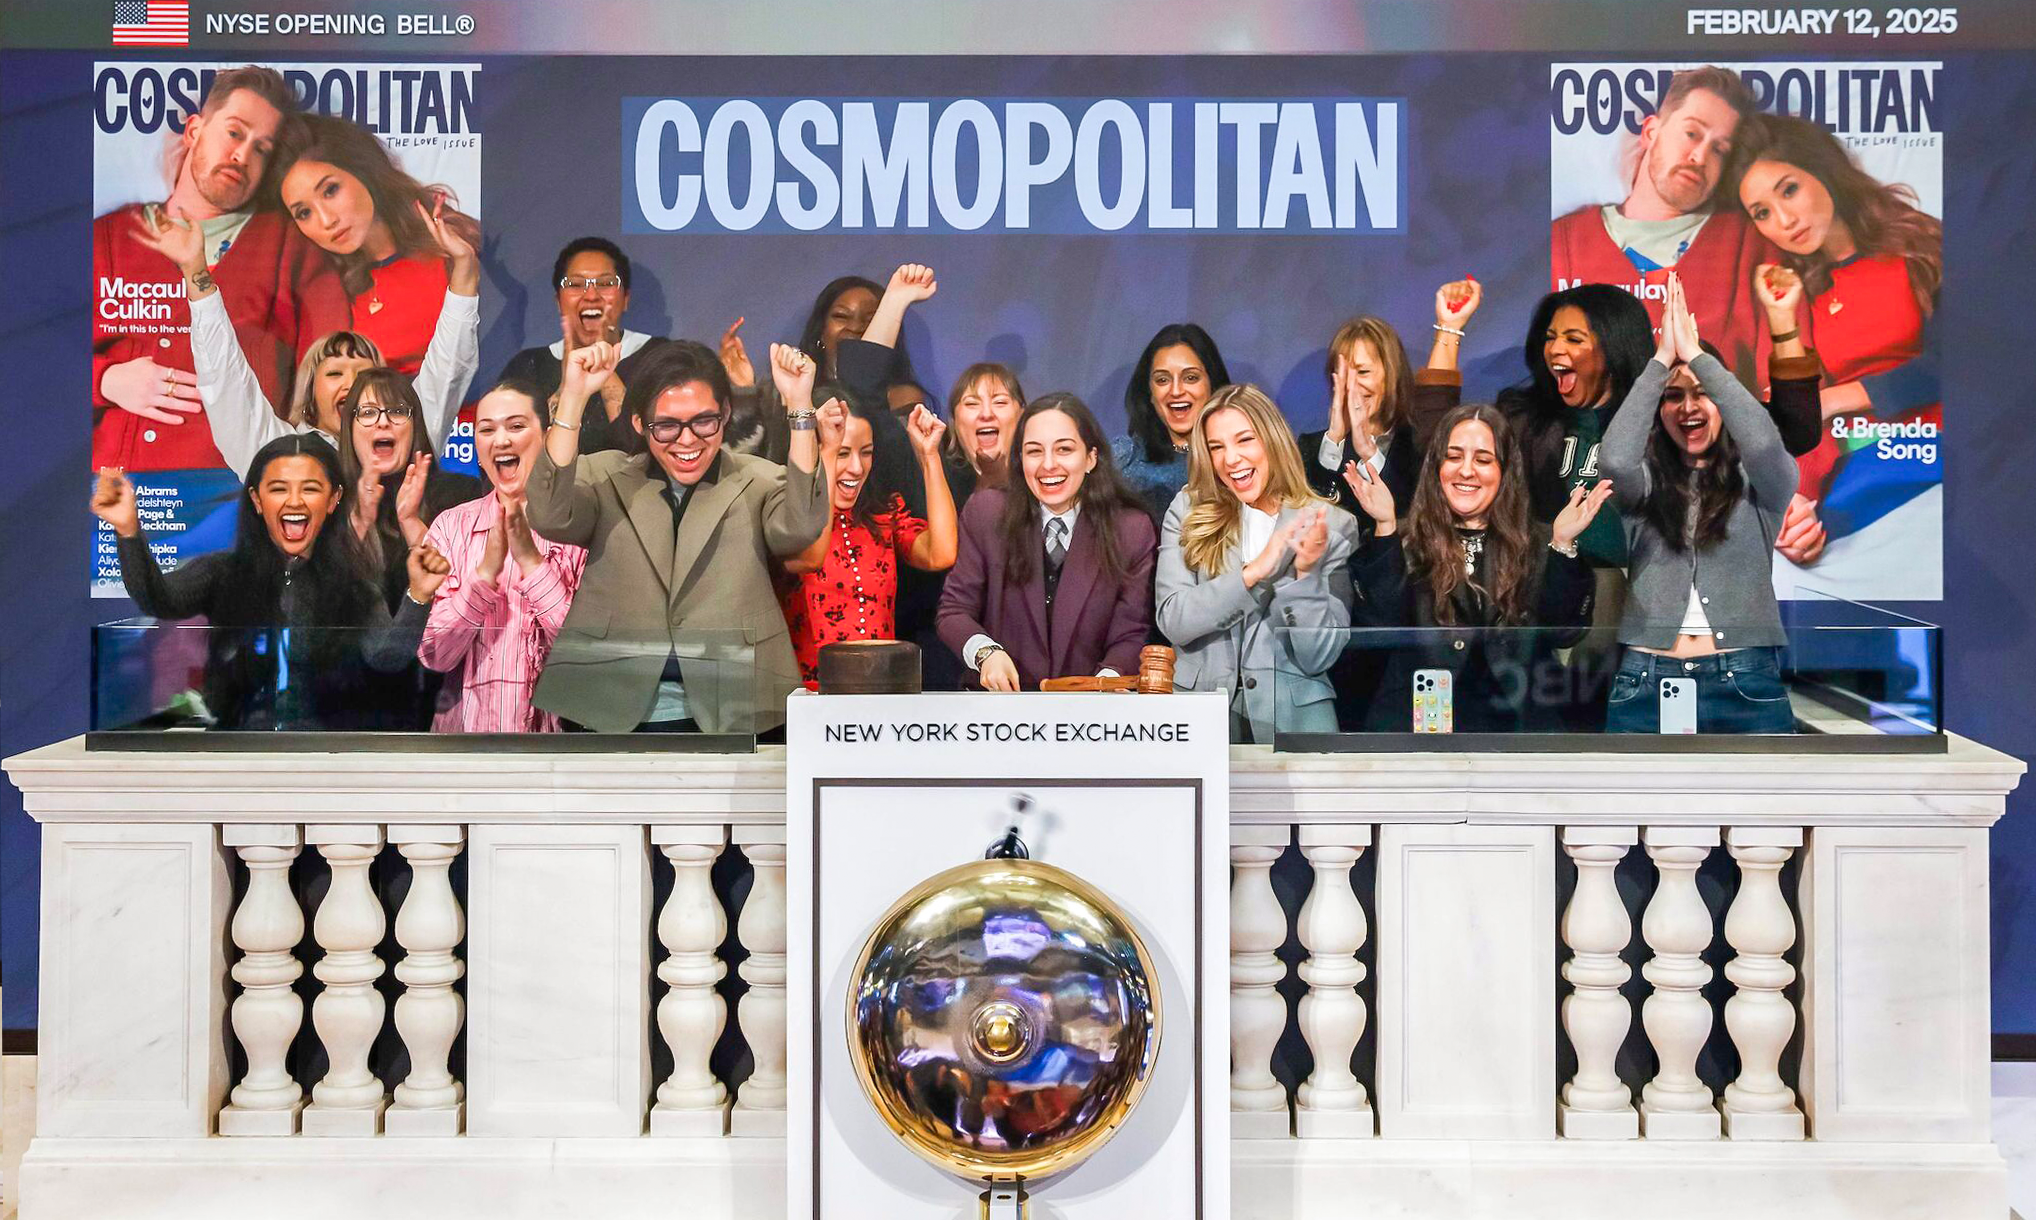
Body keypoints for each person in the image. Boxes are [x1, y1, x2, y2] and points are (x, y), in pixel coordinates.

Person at [523, 338, 838, 734]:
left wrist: (799, 408)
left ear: (725, 414)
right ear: (639, 423)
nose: (687, 440)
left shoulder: (757, 479)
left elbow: (801, 527)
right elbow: (548, 513)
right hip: (609, 702)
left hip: (734, 705)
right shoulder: (605, 476)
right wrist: (573, 396)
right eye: (666, 426)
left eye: (703, 422)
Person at [90, 433, 448, 729]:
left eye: (310, 488)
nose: (295, 501)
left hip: (325, 765)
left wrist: (417, 596)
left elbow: (387, 656)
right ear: (257, 501)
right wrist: (128, 530)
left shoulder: (355, 585)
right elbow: (159, 600)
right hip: (239, 762)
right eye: (278, 488)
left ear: (334, 499)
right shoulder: (222, 572)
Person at [93, 66, 351, 474]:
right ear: (195, 130)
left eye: (261, 148)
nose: (243, 155)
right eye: (235, 132)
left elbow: (337, 383)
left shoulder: (292, 250)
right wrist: (104, 380)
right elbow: (37, 361)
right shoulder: (105, 238)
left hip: (234, 502)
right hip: (108, 492)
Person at [131, 196, 479, 479]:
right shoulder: (278, 450)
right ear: (310, 395)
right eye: (334, 373)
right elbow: (225, 382)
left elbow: (450, 363)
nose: (352, 383)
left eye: (363, 373)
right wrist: (196, 272)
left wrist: (463, 266)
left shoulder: (408, 438)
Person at [1732, 113, 1943, 556]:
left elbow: (1965, 362)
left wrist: (1836, 399)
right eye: (1763, 213)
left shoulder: (1919, 245)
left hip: (1933, 444)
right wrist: (1800, 499)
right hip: (1850, 461)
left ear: (1822, 170)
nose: (1785, 220)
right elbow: (1798, 412)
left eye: (1789, 189)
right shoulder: (1787, 296)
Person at [1598, 275, 1799, 733]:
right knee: (1637, 807)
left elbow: (1767, 446)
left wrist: (1699, 360)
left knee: (1763, 808)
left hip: (1745, 678)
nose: (1688, 407)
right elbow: (1613, 458)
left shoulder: (1760, 484)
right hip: (1646, 680)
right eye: (1673, 396)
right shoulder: (1643, 485)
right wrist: (1661, 361)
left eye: (1701, 393)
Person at [1343, 404, 1612, 732]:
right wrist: (1385, 526)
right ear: (1436, 466)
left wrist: (1562, 544)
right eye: (1454, 457)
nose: (1466, 471)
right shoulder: (1402, 539)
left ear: (1505, 471)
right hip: (1419, 732)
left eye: (1483, 460)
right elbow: (1380, 627)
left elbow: (1565, 633)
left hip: (1517, 732)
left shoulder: (1539, 542)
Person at [1550, 65, 1801, 387]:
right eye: (1692, 133)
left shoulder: (1751, 245)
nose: (1699, 156)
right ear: (1651, 132)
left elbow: (1789, 390)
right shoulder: (1565, 243)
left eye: (1719, 149)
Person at [1156, 385, 1358, 742]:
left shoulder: (1331, 523)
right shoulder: (1188, 510)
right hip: (1202, 725)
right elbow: (1174, 619)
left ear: (1273, 440)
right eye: (1216, 447)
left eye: (1244, 440)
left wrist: (1305, 575)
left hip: (1293, 730)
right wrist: (1254, 572)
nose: (1230, 459)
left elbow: (1318, 658)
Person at [939, 394, 1158, 691]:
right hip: (999, 712)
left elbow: (1130, 633)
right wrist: (985, 654)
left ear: (1091, 458)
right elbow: (954, 611)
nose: (1049, 465)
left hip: (1089, 715)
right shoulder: (986, 513)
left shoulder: (1131, 530)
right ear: (1020, 460)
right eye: (1034, 452)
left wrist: (1106, 681)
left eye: (1064, 450)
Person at [416, 378, 588, 732]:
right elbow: (435, 655)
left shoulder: (578, 526)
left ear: (546, 437)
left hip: (553, 753)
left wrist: (532, 564)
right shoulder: (451, 527)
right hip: (464, 753)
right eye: (486, 430)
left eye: (516, 426)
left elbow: (584, 655)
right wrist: (484, 576)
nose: (501, 440)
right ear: (476, 447)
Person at [276, 113, 483, 375]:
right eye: (304, 213)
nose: (327, 220)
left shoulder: (455, 252)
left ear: (364, 171)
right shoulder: (323, 297)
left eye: (330, 191)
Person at [779, 399, 955, 689]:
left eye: (867, 453)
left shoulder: (883, 514)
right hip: (807, 700)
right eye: (843, 453)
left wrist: (929, 457)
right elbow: (808, 553)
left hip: (879, 693)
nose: (856, 467)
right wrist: (824, 450)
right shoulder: (784, 517)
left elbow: (941, 553)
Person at [496, 237, 705, 458]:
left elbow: (654, 454)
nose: (591, 295)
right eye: (576, 285)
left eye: (605, 284)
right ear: (558, 300)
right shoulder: (528, 366)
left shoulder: (662, 358)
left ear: (625, 299)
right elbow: (517, 459)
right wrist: (567, 387)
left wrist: (604, 369)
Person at [1297, 277, 1480, 528]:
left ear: (1391, 375)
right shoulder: (1312, 449)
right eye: (1344, 374)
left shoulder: (1417, 445)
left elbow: (1405, 511)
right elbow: (1314, 519)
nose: (1353, 386)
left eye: (1363, 372)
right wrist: (1335, 439)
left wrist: (1369, 453)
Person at [336, 369, 485, 613]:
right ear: (349, 429)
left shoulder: (461, 496)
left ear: (414, 425)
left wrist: (412, 525)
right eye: (369, 412)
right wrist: (360, 523)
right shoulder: (330, 502)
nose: (383, 422)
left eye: (396, 411)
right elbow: (320, 607)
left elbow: (473, 602)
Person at [1114, 323, 1233, 521]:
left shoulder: (1239, 459)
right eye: (1162, 380)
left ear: (1213, 384)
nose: (1176, 391)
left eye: (1190, 378)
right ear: (1149, 392)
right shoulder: (1123, 461)